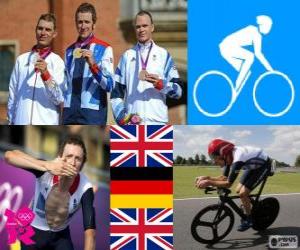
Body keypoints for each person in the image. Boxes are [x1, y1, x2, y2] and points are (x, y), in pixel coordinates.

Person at [4, 136, 96, 250]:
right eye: (69, 156)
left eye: (78, 159)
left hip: (60, 237)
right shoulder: (46, 169)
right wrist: (46, 165)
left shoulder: (86, 188)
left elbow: (90, 233)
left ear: (82, 164)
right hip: (33, 232)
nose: (72, 163)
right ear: (59, 157)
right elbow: (9, 155)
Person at [111, 10, 182, 125]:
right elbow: (116, 94)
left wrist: (161, 84)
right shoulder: (127, 56)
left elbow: (178, 91)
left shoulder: (163, 55)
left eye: (145, 26)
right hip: (133, 124)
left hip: (158, 123)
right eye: (138, 27)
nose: (141, 30)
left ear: (152, 27)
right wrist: (123, 119)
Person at [195, 139, 272, 232]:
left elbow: (228, 184)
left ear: (223, 154)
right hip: (252, 165)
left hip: (264, 165)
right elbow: (223, 178)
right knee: (238, 190)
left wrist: (209, 182)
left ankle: (249, 219)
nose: (214, 162)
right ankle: (249, 205)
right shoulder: (228, 157)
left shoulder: (238, 158)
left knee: (243, 194)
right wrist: (207, 178)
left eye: (215, 158)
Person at [7, 13, 65, 125]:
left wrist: (46, 74)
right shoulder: (21, 60)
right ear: (36, 30)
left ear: (54, 34)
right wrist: (11, 121)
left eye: (48, 29)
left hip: (46, 123)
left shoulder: (58, 62)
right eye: (40, 28)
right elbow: (12, 96)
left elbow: (59, 98)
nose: (43, 33)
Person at [63, 2, 114, 125]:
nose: (83, 26)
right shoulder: (69, 51)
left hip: (92, 114)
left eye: (87, 22)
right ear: (76, 23)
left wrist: (93, 65)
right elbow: (65, 84)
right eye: (80, 22)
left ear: (94, 24)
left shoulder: (104, 49)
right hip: (69, 113)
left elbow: (110, 85)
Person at [219, 15, 273, 90]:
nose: (269, 28)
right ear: (262, 25)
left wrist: (270, 70)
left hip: (225, 48)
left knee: (247, 73)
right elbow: (258, 54)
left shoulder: (255, 32)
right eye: (268, 26)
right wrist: (270, 70)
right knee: (250, 56)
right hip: (226, 47)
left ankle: (234, 90)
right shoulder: (255, 33)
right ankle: (236, 87)